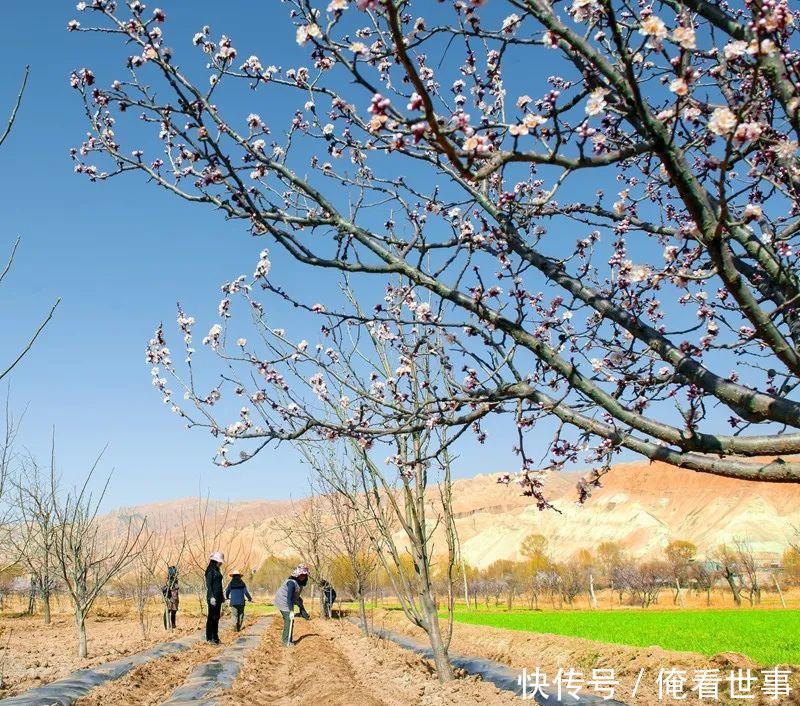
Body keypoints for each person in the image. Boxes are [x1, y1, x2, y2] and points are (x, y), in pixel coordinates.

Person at [274, 564, 310, 647]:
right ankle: (286, 642)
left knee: (290, 618)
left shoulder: (299, 582)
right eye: (301, 575)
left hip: (289, 600)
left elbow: (295, 595)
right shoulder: (291, 583)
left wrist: (299, 602)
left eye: (304, 575)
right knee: (289, 620)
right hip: (283, 601)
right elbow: (289, 598)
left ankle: (286, 639)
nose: (303, 577)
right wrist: (291, 611)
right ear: (297, 574)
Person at [205, 551, 225, 644]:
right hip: (212, 598)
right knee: (211, 617)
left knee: (216, 618)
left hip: (218, 597)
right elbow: (209, 585)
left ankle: (215, 637)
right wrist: (212, 597)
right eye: (220, 561)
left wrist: (222, 596)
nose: (221, 563)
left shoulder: (217, 570)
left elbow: (219, 585)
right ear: (216, 561)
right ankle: (210, 637)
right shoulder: (210, 570)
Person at [162, 565, 180, 629]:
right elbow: (171, 588)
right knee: (168, 612)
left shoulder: (175, 579)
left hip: (174, 598)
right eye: (175, 571)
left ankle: (172, 626)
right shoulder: (170, 580)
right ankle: (167, 627)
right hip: (171, 598)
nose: (176, 573)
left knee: (173, 612)